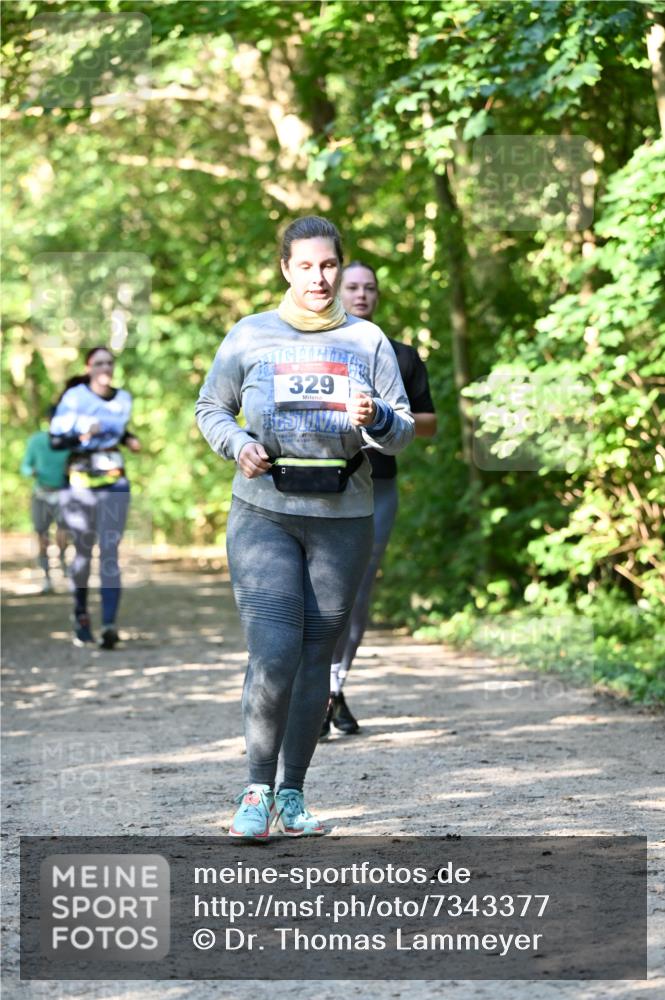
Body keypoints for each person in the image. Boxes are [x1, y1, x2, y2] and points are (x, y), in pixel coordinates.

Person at [195, 216, 414, 840]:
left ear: (339, 268)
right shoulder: (249, 336)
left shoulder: (369, 341)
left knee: (316, 654)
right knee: (274, 652)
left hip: (343, 520)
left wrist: (375, 418)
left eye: (329, 266)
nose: (319, 278)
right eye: (306, 266)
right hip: (263, 512)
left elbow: (402, 432)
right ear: (286, 269)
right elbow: (211, 406)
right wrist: (236, 443)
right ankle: (255, 788)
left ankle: (293, 793)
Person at [321, 262, 437, 737]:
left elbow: (427, 423)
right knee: (321, 588)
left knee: (359, 587)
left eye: (370, 288)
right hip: (322, 482)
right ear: (336, 291)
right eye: (353, 287)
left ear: (378, 296)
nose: (362, 294)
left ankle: (333, 688)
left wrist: (383, 415)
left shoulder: (402, 356)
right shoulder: (316, 350)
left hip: (379, 484)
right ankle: (313, 691)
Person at [50, 346, 140, 648]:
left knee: (111, 553)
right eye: (99, 363)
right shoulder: (75, 398)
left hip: (115, 480)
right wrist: (81, 437)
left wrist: (129, 439)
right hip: (80, 483)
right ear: (88, 367)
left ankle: (110, 625)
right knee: (84, 553)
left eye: (109, 362)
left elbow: (118, 429)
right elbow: (55, 440)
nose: (105, 367)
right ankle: (81, 617)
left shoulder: (123, 398)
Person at [20, 406, 70, 593]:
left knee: (63, 531)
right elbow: (25, 464)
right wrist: (31, 471)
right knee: (41, 534)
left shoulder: (69, 443)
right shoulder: (37, 441)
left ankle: (64, 564)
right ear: (48, 421)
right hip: (41, 492)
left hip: (63, 492)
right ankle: (47, 576)